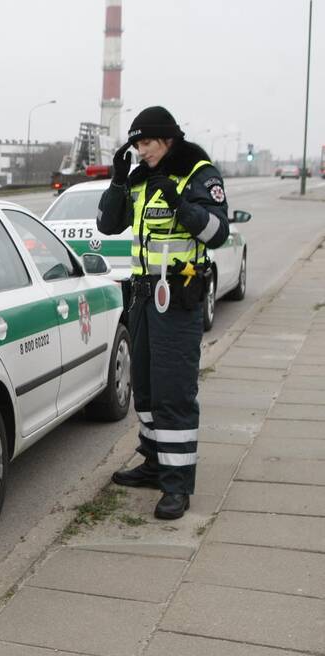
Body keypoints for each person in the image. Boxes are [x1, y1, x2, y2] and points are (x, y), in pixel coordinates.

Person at [98, 106, 229, 520]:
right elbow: (106, 224)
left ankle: (177, 485)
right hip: (141, 295)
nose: (141, 150)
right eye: (135, 144)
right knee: (147, 388)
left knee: (174, 391)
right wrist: (118, 182)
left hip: (177, 295)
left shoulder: (197, 173)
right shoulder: (140, 178)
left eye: (147, 142)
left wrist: (181, 205)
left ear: (168, 139)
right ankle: (155, 464)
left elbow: (218, 233)